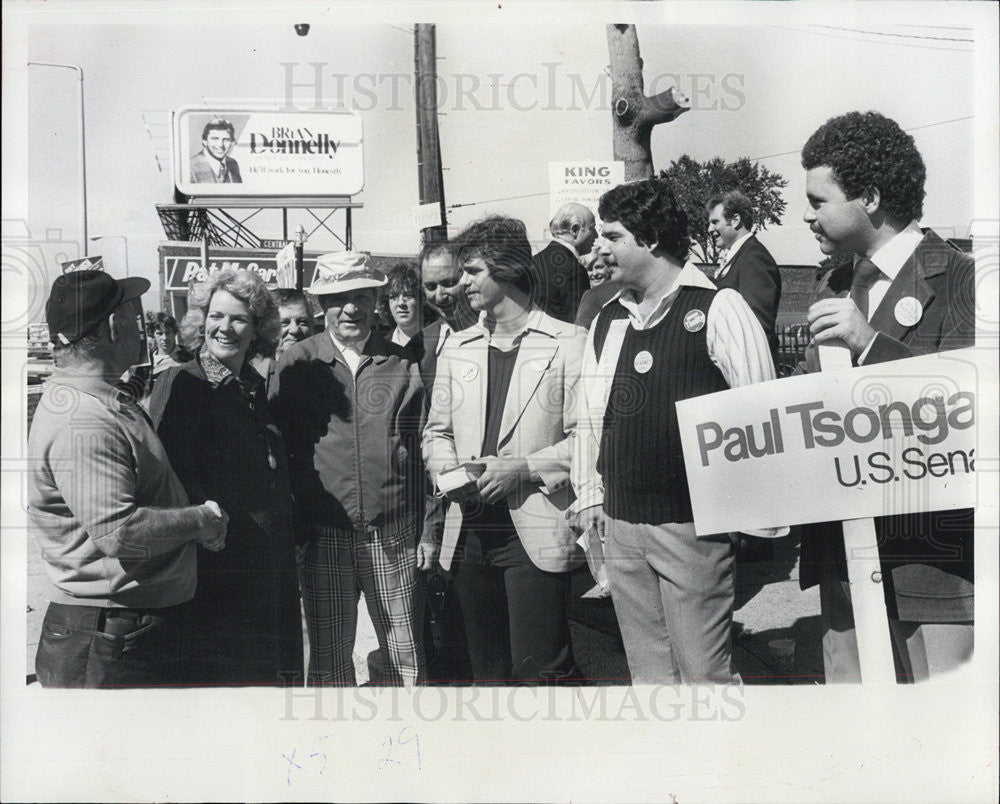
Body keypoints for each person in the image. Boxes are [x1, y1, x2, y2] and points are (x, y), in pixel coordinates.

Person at [570, 178, 781, 685]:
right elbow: (590, 418)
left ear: (652, 239)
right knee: (650, 678)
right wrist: (589, 496)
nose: (599, 248)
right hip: (621, 526)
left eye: (613, 236)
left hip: (693, 530)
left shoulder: (718, 309)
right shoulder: (607, 320)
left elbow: (760, 414)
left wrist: (746, 523)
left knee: (704, 676)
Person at [798, 110, 975, 683]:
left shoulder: (965, 281)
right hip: (843, 560)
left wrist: (871, 345)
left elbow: (971, 413)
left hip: (931, 569)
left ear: (869, 197)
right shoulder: (830, 283)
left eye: (819, 200)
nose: (807, 214)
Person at [28, 270, 229, 688]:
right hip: (106, 638)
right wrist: (202, 521)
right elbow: (120, 533)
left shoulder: (101, 399)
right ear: (115, 326)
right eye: (130, 316)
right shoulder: (82, 419)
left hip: (119, 629)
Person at [423, 216, 586, 684]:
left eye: (472, 271)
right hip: (468, 535)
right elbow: (436, 432)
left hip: (532, 534)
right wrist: (450, 473)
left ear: (508, 269)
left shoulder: (568, 344)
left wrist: (524, 469)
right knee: (486, 675)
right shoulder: (459, 346)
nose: (460, 282)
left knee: (540, 672)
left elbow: (589, 439)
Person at [270, 251, 433, 686]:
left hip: (393, 530)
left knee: (404, 654)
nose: (351, 309)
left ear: (375, 300)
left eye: (361, 296)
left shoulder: (401, 363)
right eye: (339, 298)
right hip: (324, 533)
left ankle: (405, 743)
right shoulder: (297, 363)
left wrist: (428, 527)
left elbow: (425, 452)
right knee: (328, 659)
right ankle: (335, 747)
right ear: (321, 304)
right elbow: (279, 450)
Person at [149, 268, 303, 686]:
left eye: (238, 319)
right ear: (202, 321)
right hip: (217, 571)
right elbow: (164, 478)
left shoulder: (253, 384)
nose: (225, 327)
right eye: (217, 316)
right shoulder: (180, 382)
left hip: (267, 567)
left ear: (257, 328)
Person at [705, 190, 782, 359]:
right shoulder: (739, 256)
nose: (709, 229)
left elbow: (757, 327)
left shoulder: (754, 258)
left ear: (735, 220)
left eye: (715, 222)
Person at [530, 202, 598, 323]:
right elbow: (580, 323)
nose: (597, 235)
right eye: (592, 228)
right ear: (575, 230)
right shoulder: (574, 269)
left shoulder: (533, 261)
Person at [381, 262, 424, 348]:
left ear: (423, 299)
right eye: (394, 297)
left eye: (408, 295)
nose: (400, 303)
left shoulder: (438, 343)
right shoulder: (380, 348)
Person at [190, 119, 242, 184]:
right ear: (205, 141)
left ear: (232, 142)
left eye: (226, 139)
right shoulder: (190, 167)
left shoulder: (233, 164)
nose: (221, 145)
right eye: (215, 139)